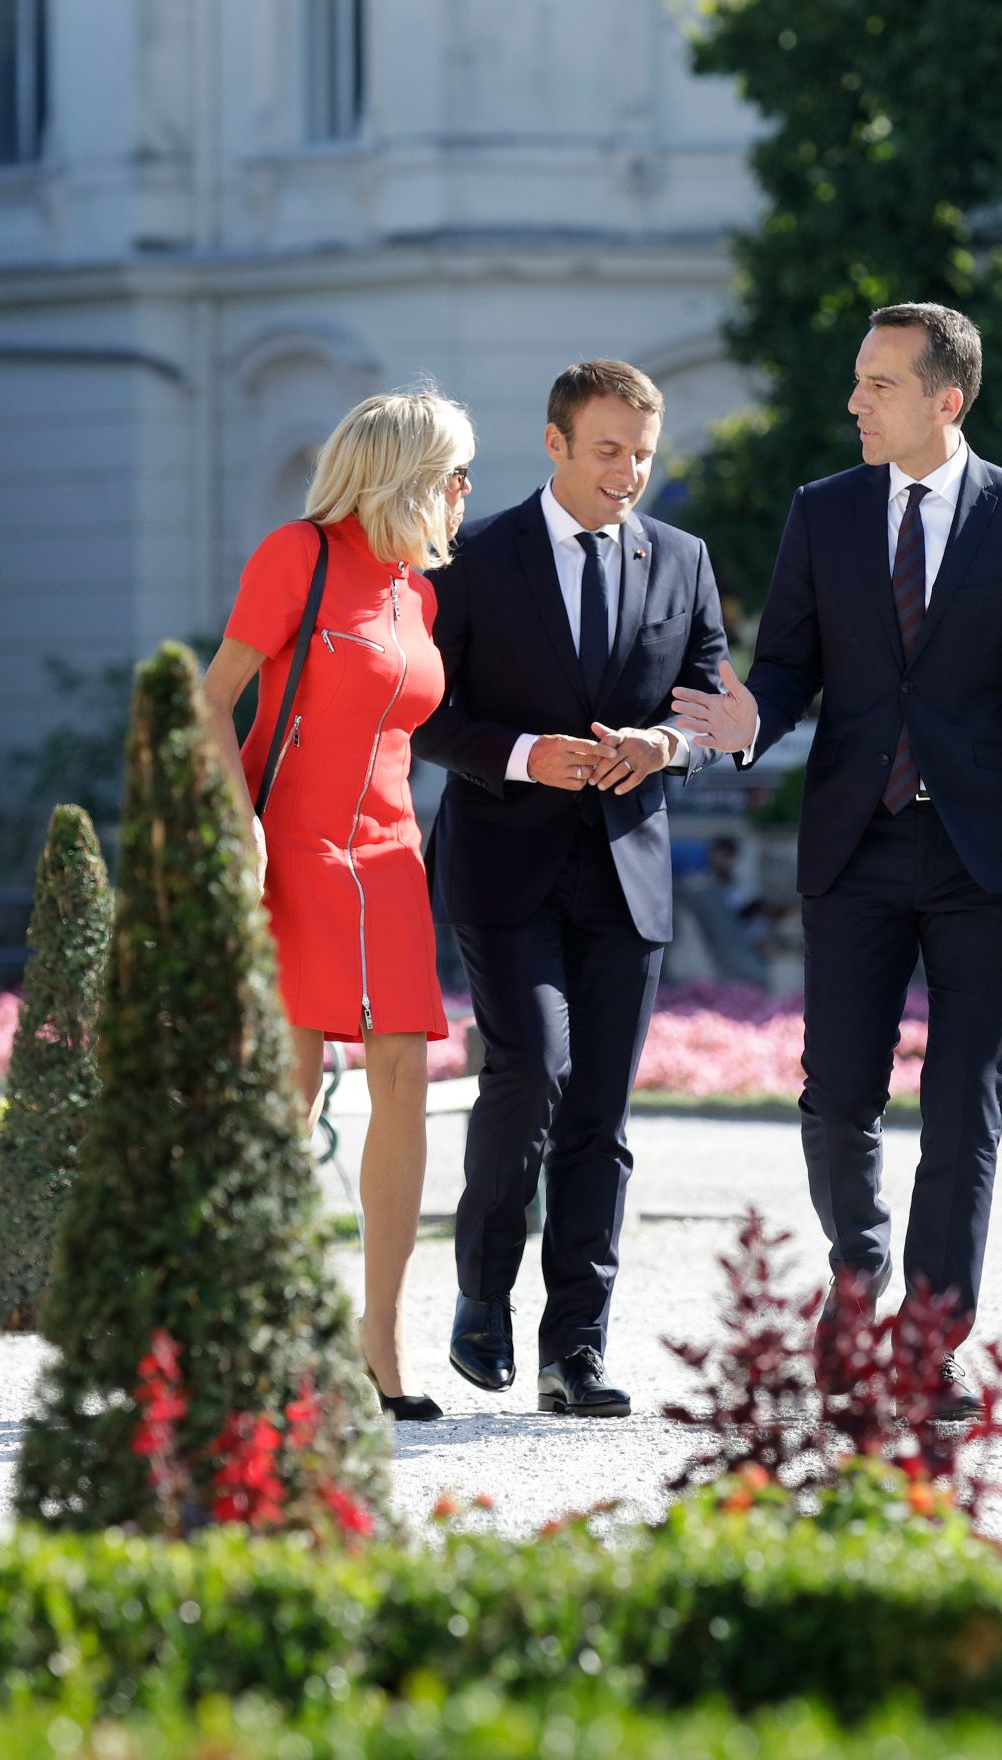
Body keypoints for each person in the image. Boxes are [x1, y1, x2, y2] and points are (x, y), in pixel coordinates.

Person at [672, 303, 1002, 1414]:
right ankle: (854, 1286)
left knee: (966, 1103)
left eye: (877, 385)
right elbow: (791, 665)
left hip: (982, 855)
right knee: (837, 1093)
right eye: (856, 382)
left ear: (944, 400)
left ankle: (927, 1343)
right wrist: (745, 716)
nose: (853, 402)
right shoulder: (823, 511)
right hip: (853, 842)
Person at [413, 360, 728, 1417]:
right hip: (502, 864)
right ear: (553, 443)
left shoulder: (681, 559)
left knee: (600, 1111)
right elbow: (427, 713)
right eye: (607, 451)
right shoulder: (471, 558)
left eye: (642, 452)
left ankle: (574, 1352)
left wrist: (664, 744)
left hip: (626, 871)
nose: (628, 472)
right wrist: (517, 755)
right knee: (530, 1071)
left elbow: (714, 709)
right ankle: (479, 1295)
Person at [202, 388, 475, 1424]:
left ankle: (379, 1335)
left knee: (402, 1073)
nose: (462, 495)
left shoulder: (417, 591)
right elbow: (209, 696)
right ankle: (258, 1327)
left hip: (392, 853)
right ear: (405, 473)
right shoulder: (298, 555)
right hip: (299, 845)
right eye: (453, 475)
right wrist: (245, 827)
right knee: (293, 1080)